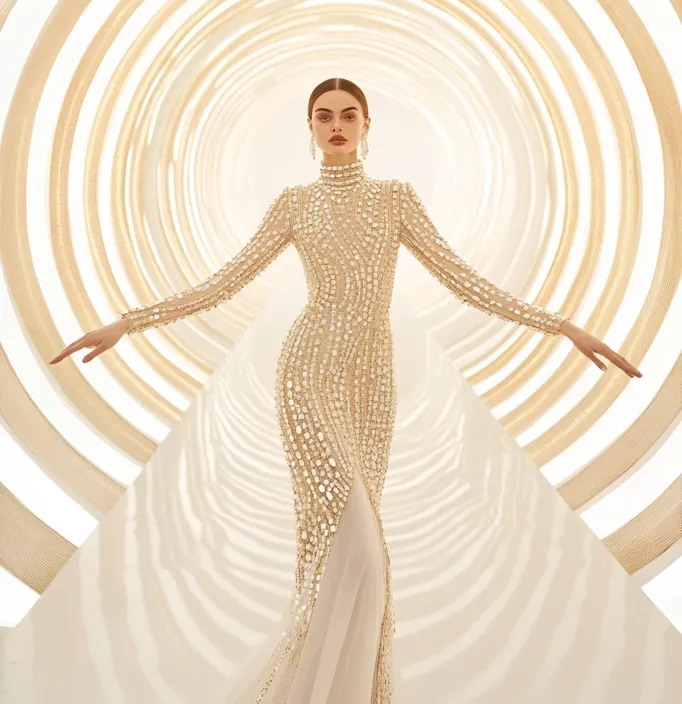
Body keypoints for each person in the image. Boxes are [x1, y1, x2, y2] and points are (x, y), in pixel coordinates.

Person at [49, 77, 642, 703]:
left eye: (348, 115)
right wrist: (128, 323)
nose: (336, 125)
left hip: (373, 383)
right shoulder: (293, 203)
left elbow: (466, 281)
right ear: (309, 129)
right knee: (352, 538)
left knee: (368, 553)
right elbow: (219, 286)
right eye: (324, 116)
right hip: (307, 371)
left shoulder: (395, 199)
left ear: (366, 125)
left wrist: (562, 327)